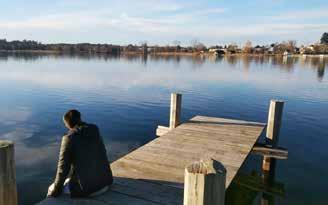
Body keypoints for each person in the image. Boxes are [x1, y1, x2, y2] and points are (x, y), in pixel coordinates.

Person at [47, 109, 113, 198]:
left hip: (88, 190)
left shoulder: (68, 138)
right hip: (105, 183)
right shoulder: (94, 129)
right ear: (80, 118)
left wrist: (56, 189)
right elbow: (103, 152)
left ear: (67, 124)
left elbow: (63, 168)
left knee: (51, 188)